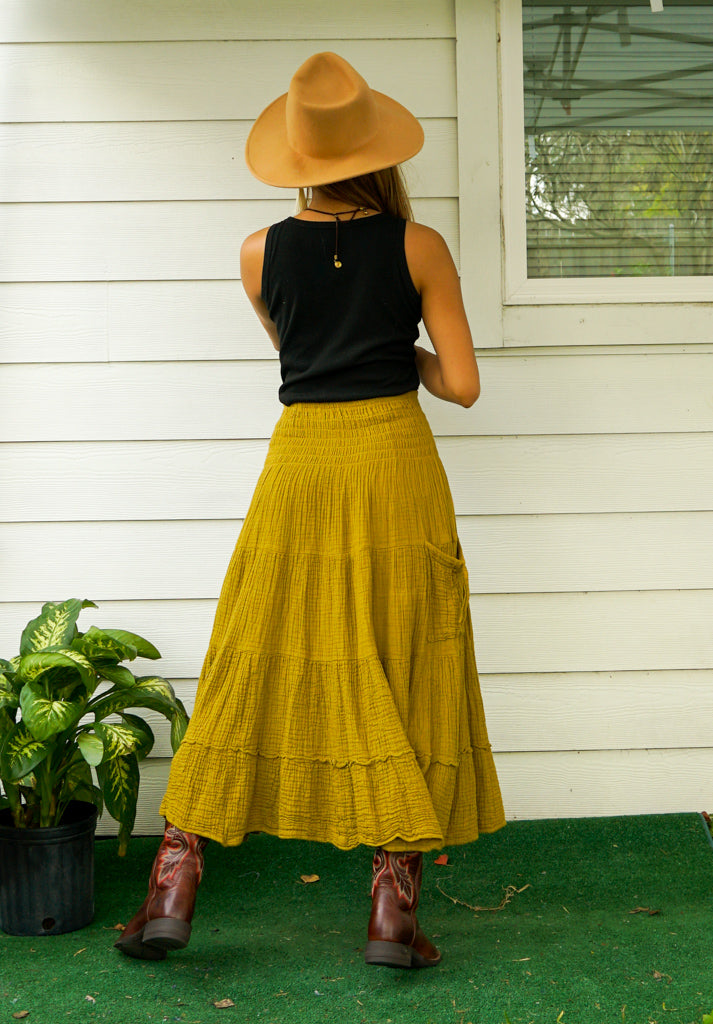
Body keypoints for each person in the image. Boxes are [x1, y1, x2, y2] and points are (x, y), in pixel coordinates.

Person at [115, 51, 505, 970]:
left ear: (295, 155)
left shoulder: (257, 252)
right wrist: (401, 354)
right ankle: (392, 907)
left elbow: (297, 352)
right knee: (398, 650)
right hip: (393, 461)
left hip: (299, 462)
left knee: (254, 650)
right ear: (374, 149)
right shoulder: (420, 247)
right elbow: (463, 385)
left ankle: (175, 874)